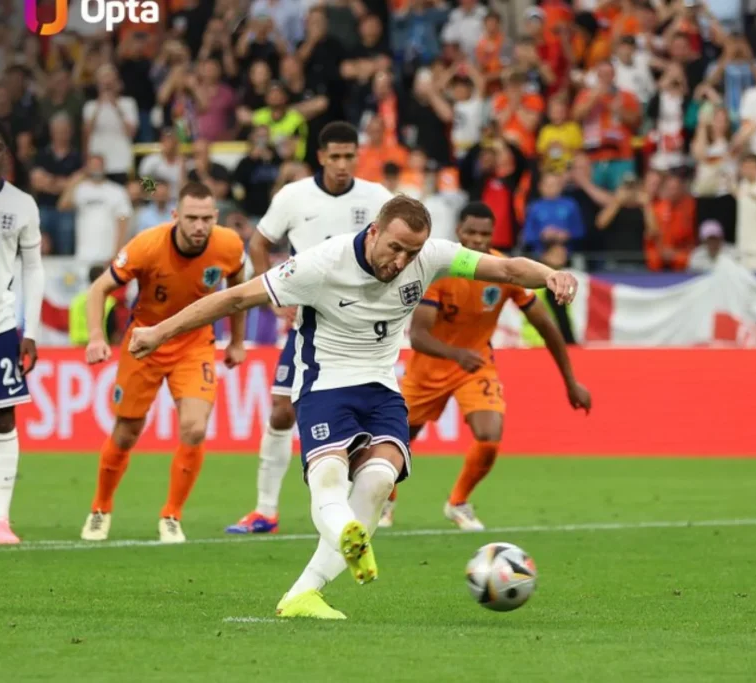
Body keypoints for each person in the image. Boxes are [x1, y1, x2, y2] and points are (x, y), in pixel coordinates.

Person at [127, 195, 579, 620]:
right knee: (329, 478)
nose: (401, 261)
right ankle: (345, 530)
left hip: (382, 388)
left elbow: (508, 269)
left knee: (380, 481)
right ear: (375, 231)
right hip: (325, 386)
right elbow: (235, 297)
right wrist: (159, 332)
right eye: (395, 248)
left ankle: (304, 593)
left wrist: (550, 275)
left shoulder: (432, 256)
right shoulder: (321, 264)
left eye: (411, 252)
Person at [224, 121, 394, 536]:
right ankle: (265, 511)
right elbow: (259, 243)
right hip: (310, 324)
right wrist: (274, 295)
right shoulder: (293, 196)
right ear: (320, 157)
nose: (342, 164)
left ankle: (368, 499)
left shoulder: (377, 198)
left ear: (358, 156)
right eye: (334, 156)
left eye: (349, 156)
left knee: (361, 413)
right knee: (281, 410)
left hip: (360, 327)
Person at [380, 202, 591, 530]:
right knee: (397, 442)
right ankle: (386, 500)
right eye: (471, 232)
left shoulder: (502, 270)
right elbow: (419, 336)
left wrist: (570, 381)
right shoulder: (440, 271)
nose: (478, 240)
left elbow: (546, 327)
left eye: (485, 234)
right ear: (458, 232)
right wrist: (456, 354)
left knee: (490, 435)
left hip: (475, 365)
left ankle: (458, 502)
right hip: (429, 368)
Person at [80, 182, 248, 543]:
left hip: (194, 343)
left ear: (215, 217)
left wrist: (236, 340)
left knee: (194, 429)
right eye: (191, 218)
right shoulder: (146, 245)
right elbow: (99, 288)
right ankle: (100, 507)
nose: (199, 226)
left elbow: (238, 291)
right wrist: (96, 336)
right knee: (127, 432)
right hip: (145, 342)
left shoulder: (229, 245)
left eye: (206, 218)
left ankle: (171, 515)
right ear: (175, 216)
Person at [0, 121, 45, 545]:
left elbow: (33, 269)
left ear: (7, 153)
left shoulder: (22, 204)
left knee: (3, 417)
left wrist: (32, 329)